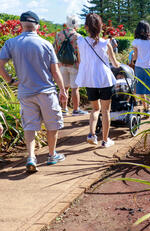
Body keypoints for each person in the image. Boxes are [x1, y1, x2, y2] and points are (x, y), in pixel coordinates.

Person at [0, 11, 67, 173]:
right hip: (46, 92)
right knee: (53, 124)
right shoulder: (45, 44)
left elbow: (0, 64)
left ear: (21, 24)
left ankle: (31, 157)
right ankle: (51, 155)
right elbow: (55, 72)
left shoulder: (11, 43)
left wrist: (10, 80)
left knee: (29, 126)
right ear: (37, 25)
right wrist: (63, 91)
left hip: (25, 92)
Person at [76, 13, 120, 148]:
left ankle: (91, 134)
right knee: (106, 111)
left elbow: (80, 61)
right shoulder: (106, 43)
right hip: (105, 79)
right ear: (101, 27)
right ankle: (105, 140)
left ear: (86, 27)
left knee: (95, 109)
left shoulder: (80, 42)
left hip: (89, 80)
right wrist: (119, 65)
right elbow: (115, 63)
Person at [53, 15, 88, 116]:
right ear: (76, 24)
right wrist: (81, 65)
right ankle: (76, 110)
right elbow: (79, 52)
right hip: (74, 65)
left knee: (63, 88)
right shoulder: (78, 36)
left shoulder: (58, 35)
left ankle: (64, 109)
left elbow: (54, 49)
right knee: (75, 88)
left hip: (61, 64)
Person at [132, 20, 150, 115]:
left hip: (139, 67)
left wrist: (133, 61)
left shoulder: (136, 42)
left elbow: (135, 56)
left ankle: (144, 107)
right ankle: (148, 108)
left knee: (140, 88)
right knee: (149, 88)